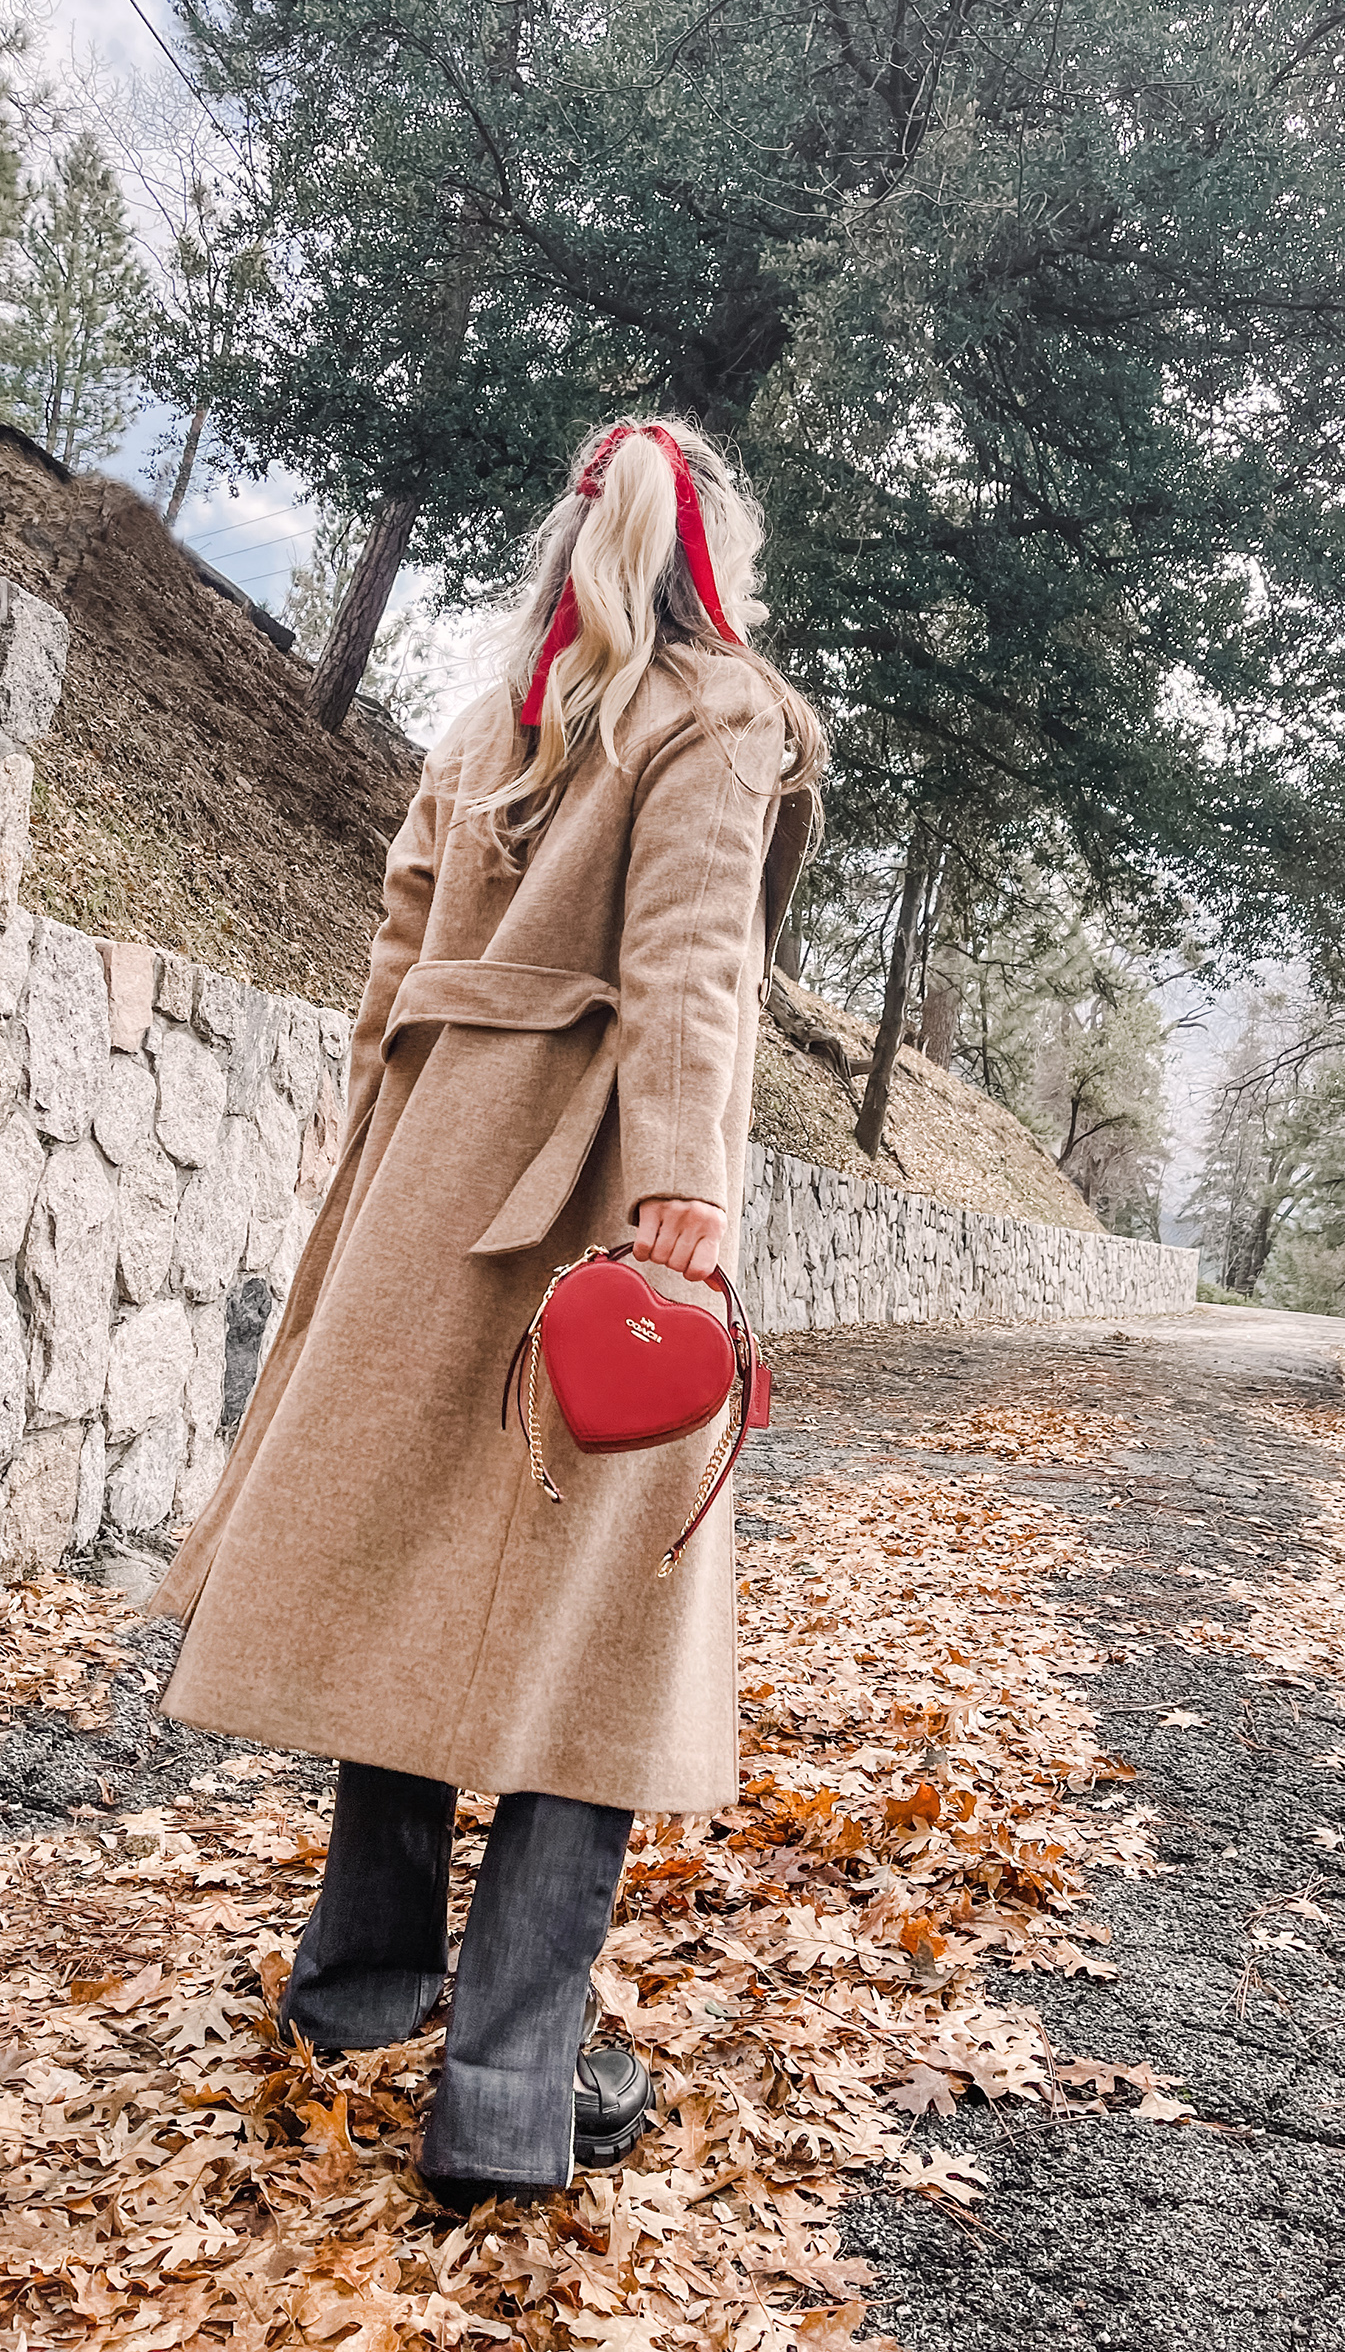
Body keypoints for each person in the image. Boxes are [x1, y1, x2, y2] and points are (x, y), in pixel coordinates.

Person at [148, 417, 825, 2207]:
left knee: (405, 1575)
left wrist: (369, 1169)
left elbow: (391, 972)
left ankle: (359, 1992)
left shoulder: (489, 725)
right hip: (601, 1191)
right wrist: (686, 1189)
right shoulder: (717, 708)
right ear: (711, 559)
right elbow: (693, 959)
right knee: (595, 1630)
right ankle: (513, 2083)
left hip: (432, 1182)